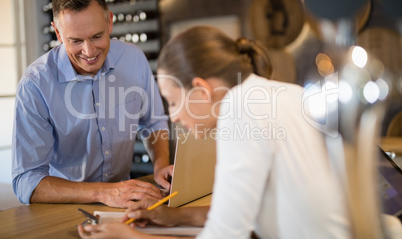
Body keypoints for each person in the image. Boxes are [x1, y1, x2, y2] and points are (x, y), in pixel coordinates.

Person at [78, 26, 351, 238]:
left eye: (173, 101)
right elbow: (235, 213)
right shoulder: (280, 93)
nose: (172, 115)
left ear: (201, 90)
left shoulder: (240, 112)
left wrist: (128, 236)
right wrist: (173, 218)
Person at [12, 0, 173, 208]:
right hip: (64, 207)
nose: (88, 52)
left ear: (110, 22)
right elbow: (26, 181)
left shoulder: (133, 59)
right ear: (58, 33)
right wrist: (103, 192)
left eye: (97, 36)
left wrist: (160, 166)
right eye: (75, 41)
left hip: (123, 201)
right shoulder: (35, 84)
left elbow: (153, 122)